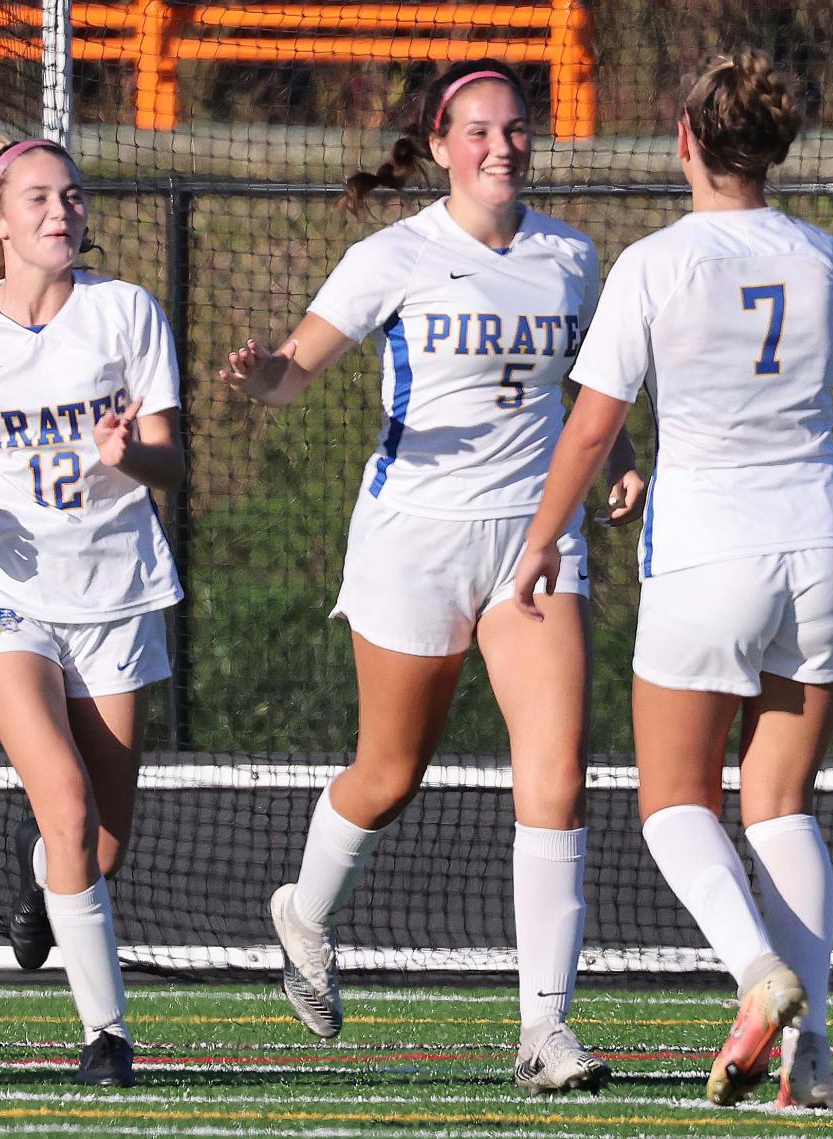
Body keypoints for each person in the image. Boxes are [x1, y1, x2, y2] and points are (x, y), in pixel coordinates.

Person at [512, 49, 833, 1110]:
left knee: (671, 799)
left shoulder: (656, 264)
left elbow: (590, 431)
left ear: (685, 141)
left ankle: (758, 971)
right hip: (821, 549)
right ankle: (815, 1061)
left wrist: (537, 543)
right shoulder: (820, 253)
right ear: (775, 147)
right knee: (780, 802)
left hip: (709, 550)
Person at [220, 58, 644, 1094]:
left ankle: (545, 1030)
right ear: (442, 145)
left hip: (536, 542)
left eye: (517, 129)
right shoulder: (393, 255)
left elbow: (596, 390)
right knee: (389, 772)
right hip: (414, 539)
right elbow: (295, 373)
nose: (503, 146)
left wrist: (623, 462)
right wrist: (260, 375)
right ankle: (305, 913)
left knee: (557, 775)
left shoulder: (573, 257)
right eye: (481, 131)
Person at [0, 132, 186, 1087]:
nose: (61, 211)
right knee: (59, 801)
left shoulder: (126, 313)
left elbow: (170, 460)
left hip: (114, 595)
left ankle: (42, 884)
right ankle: (107, 1036)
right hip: (4, 596)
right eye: (38, 199)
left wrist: (128, 458)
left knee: (99, 842)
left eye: (70, 195)